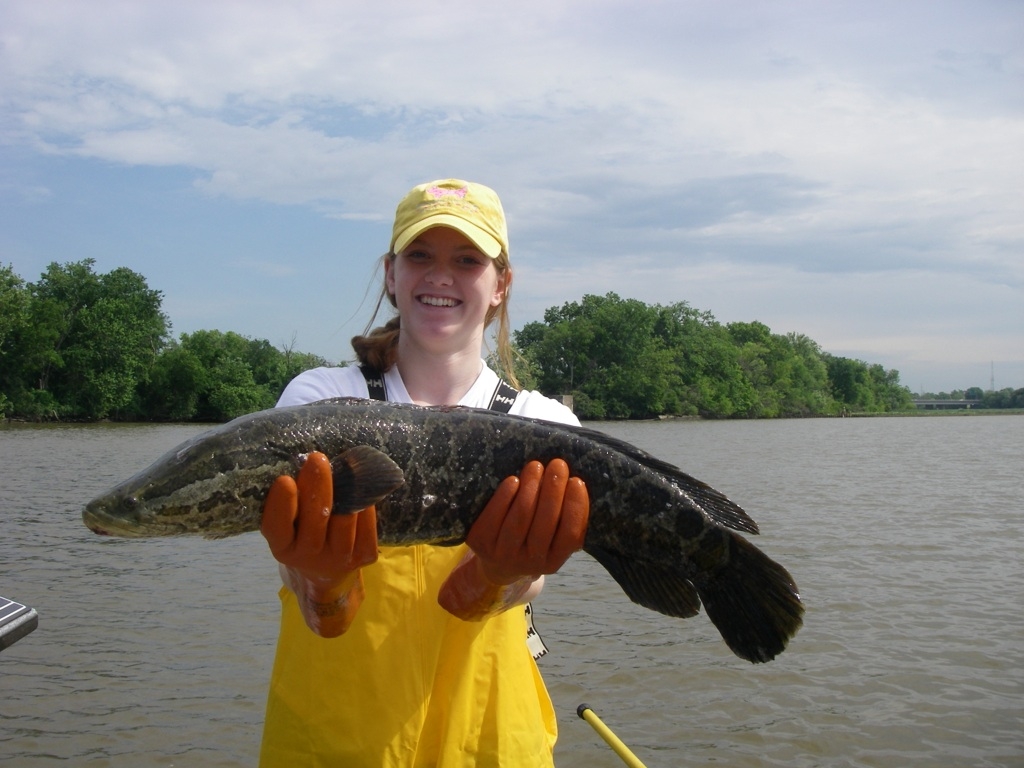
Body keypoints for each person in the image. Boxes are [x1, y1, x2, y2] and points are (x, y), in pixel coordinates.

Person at [258, 179, 591, 767]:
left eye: (467, 260)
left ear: (500, 284)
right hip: (334, 742)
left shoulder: (547, 424)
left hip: (488, 740)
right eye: (420, 256)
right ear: (391, 275)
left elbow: (521, 591)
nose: (441, 276)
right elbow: (306, 595)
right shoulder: (319, 401)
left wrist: (499, 576)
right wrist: (321, 581)